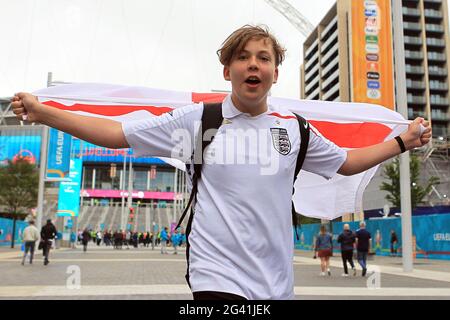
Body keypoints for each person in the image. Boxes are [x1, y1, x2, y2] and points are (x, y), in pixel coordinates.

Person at [11, 25, 431, 300]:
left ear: (274, 73)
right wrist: (45, 112)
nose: (254, 64)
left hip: (275, 282)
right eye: (244, 57)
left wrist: (403, 141)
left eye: (264, 58)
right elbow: (117, 134)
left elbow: (347, 161)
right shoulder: (200, 121)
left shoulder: (296, 130)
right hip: (216, 276)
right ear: (227, 69)